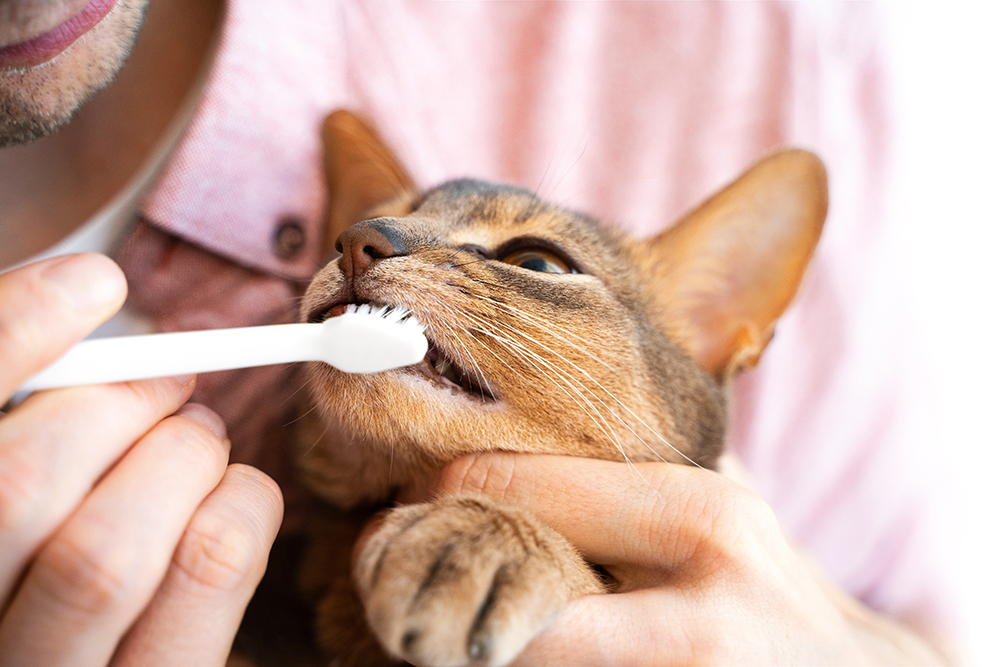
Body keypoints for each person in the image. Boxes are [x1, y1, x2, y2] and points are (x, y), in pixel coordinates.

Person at [0, 1, 958, 664]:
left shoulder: (776, 51)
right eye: (372, 227)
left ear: (713, 335)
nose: (367, 246)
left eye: (536, 262)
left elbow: (930, 620)